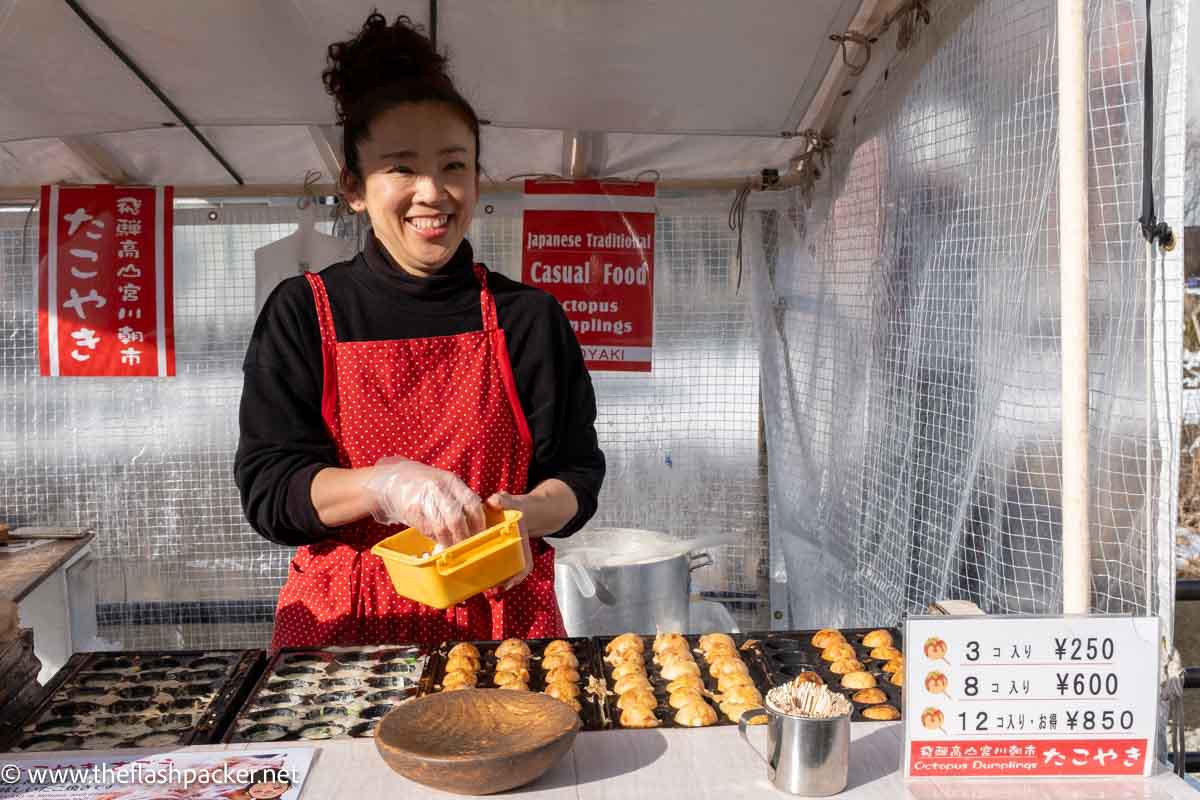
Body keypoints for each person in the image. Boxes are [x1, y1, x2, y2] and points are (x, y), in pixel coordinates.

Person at [235, 12, 604, 649]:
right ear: (354, 187)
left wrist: (519, 516)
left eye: (453, 166)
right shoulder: (305, 312)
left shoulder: (527, 318)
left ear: (477, 179)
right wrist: (384, 484)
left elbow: (577, 478)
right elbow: (271, 491)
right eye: (400, 168)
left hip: (503, 622)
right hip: (349, 630)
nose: (431, 192)